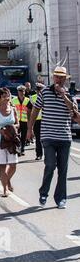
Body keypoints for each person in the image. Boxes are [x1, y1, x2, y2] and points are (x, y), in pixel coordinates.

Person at [27, 67, 78, 209]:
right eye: (57, 76)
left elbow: (73, 111)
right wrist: (29, 129)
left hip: (64, 137)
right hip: (48, 136)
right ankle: (43, 193)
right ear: (53, 77)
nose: (59, 79)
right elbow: (35, 110)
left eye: (62, 77)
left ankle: (61, 198)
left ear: (65, 79)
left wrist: (64, 96)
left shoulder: (69, 94)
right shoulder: (44, 92)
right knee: (50, 165)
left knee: (63, 169)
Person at [0, 88, 19, 197]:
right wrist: (2, 131)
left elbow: (17, 123)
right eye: (5, 96)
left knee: (13, 165)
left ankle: (7, 180)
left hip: (11, 141)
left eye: (9, 95)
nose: (7, 98)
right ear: (0, 97)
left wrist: (12, 128)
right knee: (2, 166)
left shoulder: (13, 109)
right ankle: (5, 189)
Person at [12, 85, 32, 156]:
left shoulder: (28, 100)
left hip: (25, 121)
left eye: (23, 91)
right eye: (20, 91)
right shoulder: (13, 100)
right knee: (16, 136)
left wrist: (30, 123)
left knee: (23, 136)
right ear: (17, 92)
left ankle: (22, 149)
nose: (21, 92)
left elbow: (31, 112)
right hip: (16, 121)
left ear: (24, 92)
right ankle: (18, 148)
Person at [30, 83, 45, 160]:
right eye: (38, 90)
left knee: (46, 139)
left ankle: (48, 154)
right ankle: (39, 154)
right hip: (36, 121)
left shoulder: (46, 97)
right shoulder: (32, 98)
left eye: (40, 90)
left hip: (45, 120)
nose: (39, 92)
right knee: (38, 139)